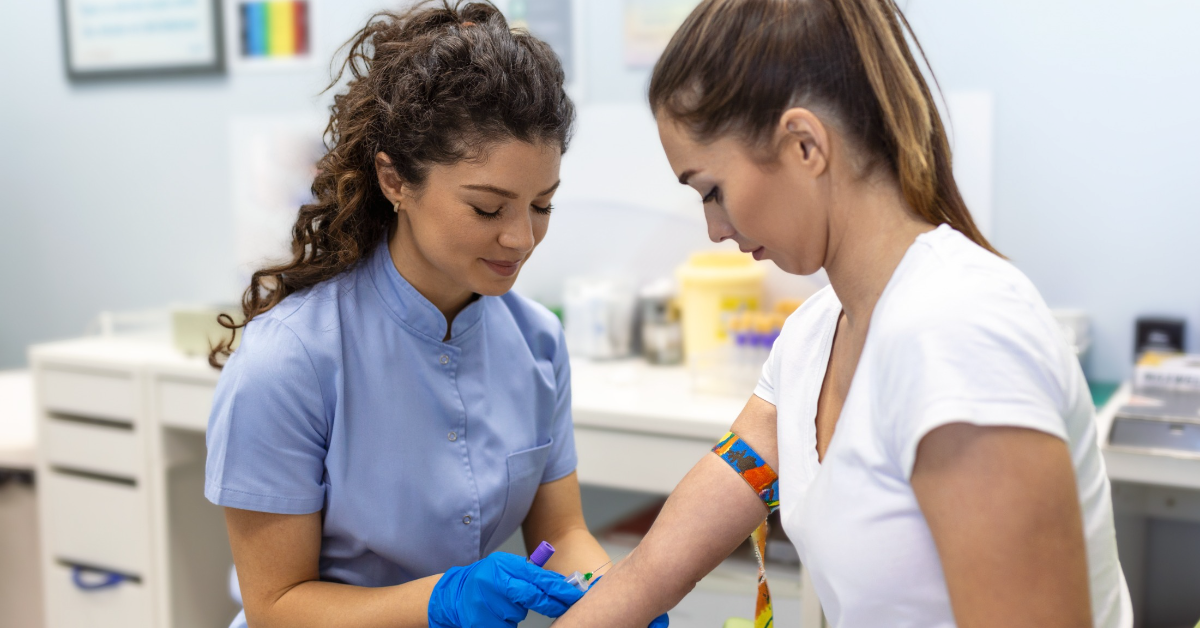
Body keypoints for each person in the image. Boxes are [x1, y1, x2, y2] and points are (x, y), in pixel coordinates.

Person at [554, 0, 1132, 627]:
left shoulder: (959, 336)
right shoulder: (814, 336)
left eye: (712, 191)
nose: (714, 229)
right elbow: (659, 564)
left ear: (805, 145)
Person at [203, 3, 667, 627]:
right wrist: (440, 600)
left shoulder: (537, 342)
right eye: (486, 209)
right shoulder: (289, 361)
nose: (522, 239)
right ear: (395, 180)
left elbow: (564, 532)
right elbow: (276, 607)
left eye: (543, 206)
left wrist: (613, 598)